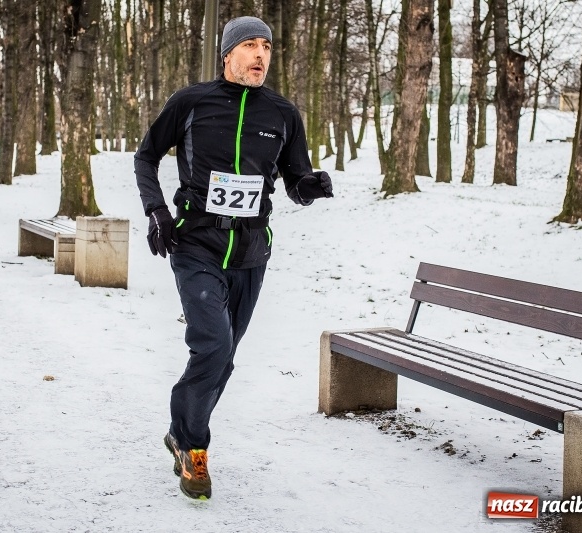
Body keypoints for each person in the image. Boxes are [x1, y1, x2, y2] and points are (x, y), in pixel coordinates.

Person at [134, 16, 333, 500]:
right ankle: (195, 448)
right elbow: (146, 156)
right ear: (228, 55)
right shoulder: (191, 103)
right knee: (214, 345)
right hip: (195, 243)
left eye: (267, 45)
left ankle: (181, 434)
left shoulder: (282, 113)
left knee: (224, 357)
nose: (261, 54)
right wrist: (157, 211)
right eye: (249, 45)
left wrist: (309, 188)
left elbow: (294, 179)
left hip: (250, 252)